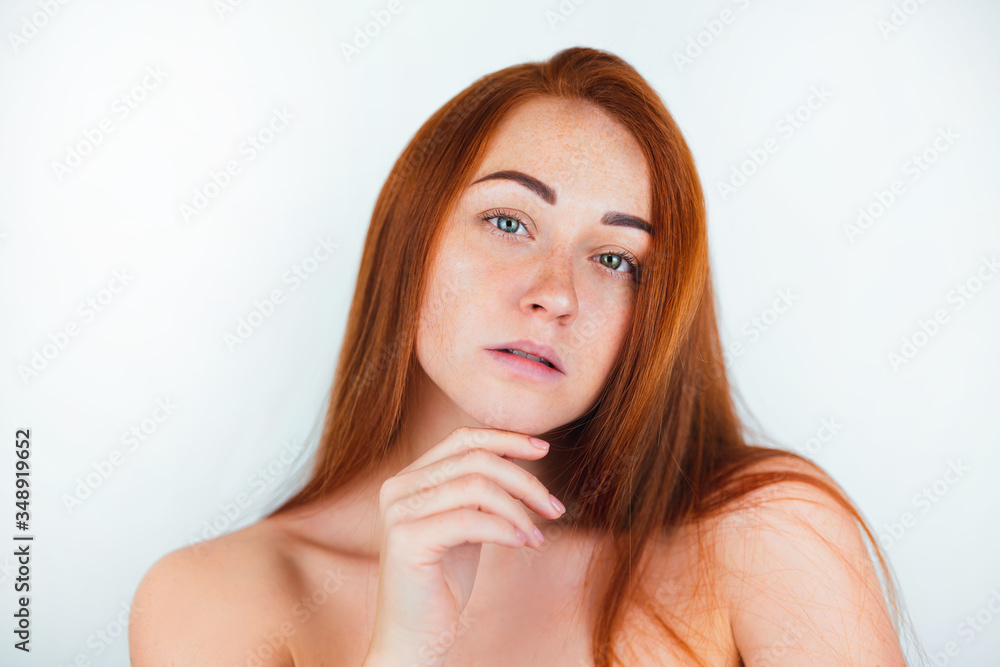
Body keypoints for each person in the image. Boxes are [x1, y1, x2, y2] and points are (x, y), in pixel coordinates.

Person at [129, 47, 916, 666]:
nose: (556, 293)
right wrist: (404, 651)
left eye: (615, 259)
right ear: (411, 244)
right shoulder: (211, 600)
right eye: (509, 222)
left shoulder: (769, 534)